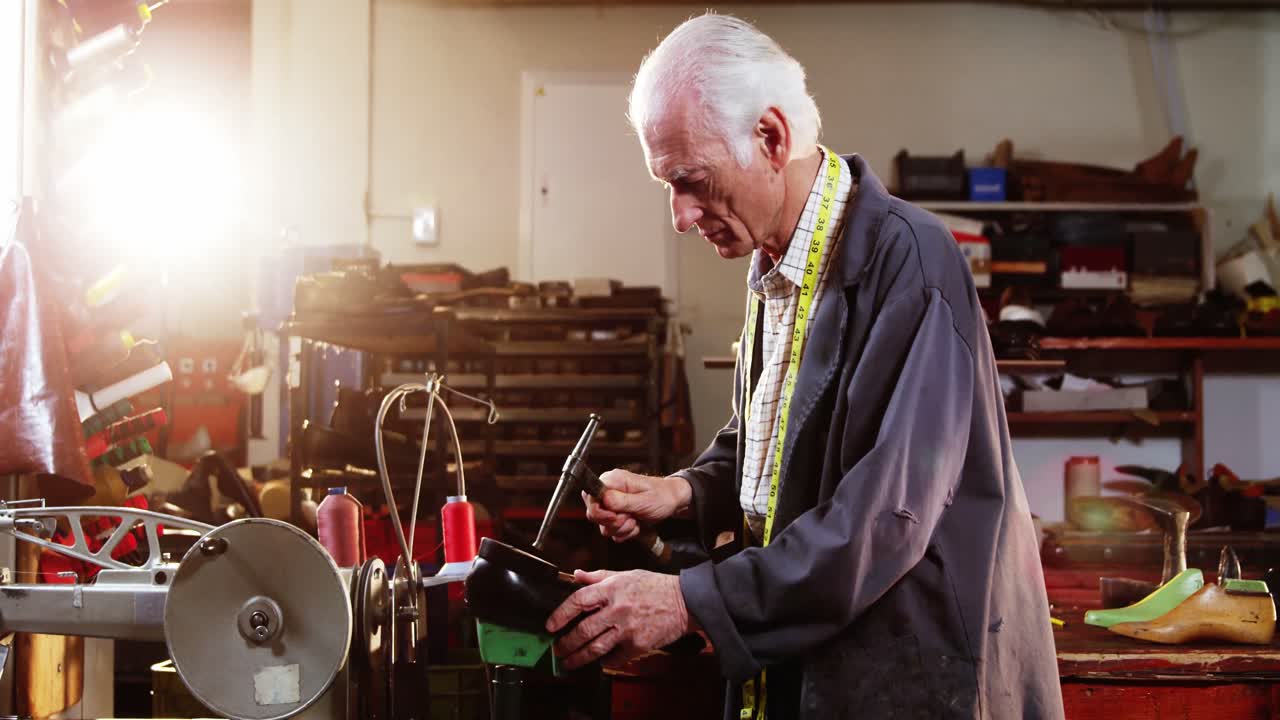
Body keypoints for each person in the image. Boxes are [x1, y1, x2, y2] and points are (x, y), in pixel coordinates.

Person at [545, 13, 1064, 719]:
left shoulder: (912, 263)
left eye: (690, 180)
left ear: (770, 137)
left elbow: (884, 519)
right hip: (809, 662)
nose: (679, 216)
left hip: (905, 677)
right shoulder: (776, 263)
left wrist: (687, 600)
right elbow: (775, 438)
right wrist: (683, 492)